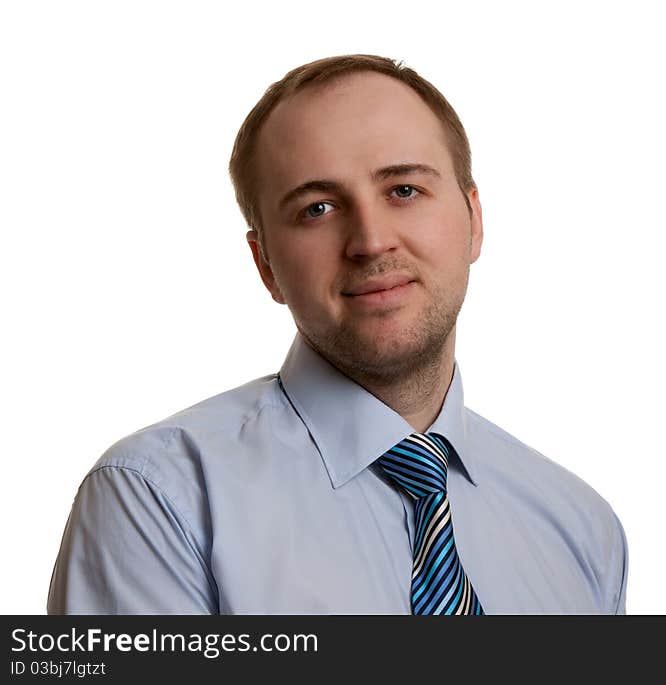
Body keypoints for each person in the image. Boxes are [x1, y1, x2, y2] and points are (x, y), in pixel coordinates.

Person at [47, 54, 628, 615]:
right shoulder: (159, 500)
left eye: (404, 190)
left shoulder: (581, 528)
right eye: (318, 208)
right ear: (265, 264)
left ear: (474, 221)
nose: (372, 241)